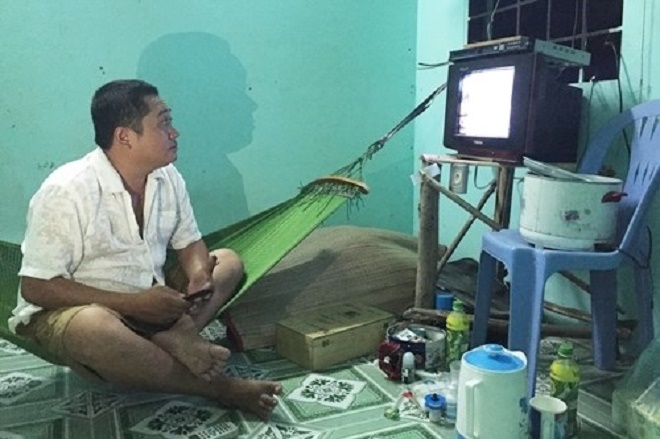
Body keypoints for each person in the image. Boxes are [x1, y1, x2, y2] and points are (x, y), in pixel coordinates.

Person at [8, 79, 281, 419]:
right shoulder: (66, 190)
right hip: (79, 309)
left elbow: (189, 241)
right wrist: (134, 304)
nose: (175, 132)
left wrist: (198, 275)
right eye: (164, 123)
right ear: (125, 136)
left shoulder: (167, 176)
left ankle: (165, 337)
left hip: (150, 298)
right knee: (94, 328)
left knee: (227, 262)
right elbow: (36, 287)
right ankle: (221, 388)